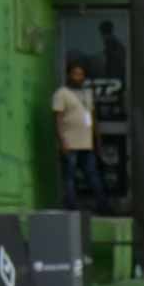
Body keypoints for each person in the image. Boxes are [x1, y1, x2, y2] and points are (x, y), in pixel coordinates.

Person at [51, 62, 108, 215]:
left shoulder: (86, 94)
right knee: (69, 177)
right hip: (69, 143)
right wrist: (62, 142)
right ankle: (71, 207)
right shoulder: (61, 93)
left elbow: (92, 117)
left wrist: (97, 139)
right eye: (76, 74)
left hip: (87, 144)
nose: (79, 77)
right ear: (69, 75)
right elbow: (57, 119)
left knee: (93, 175)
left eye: (81, 74)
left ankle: (103, 206)